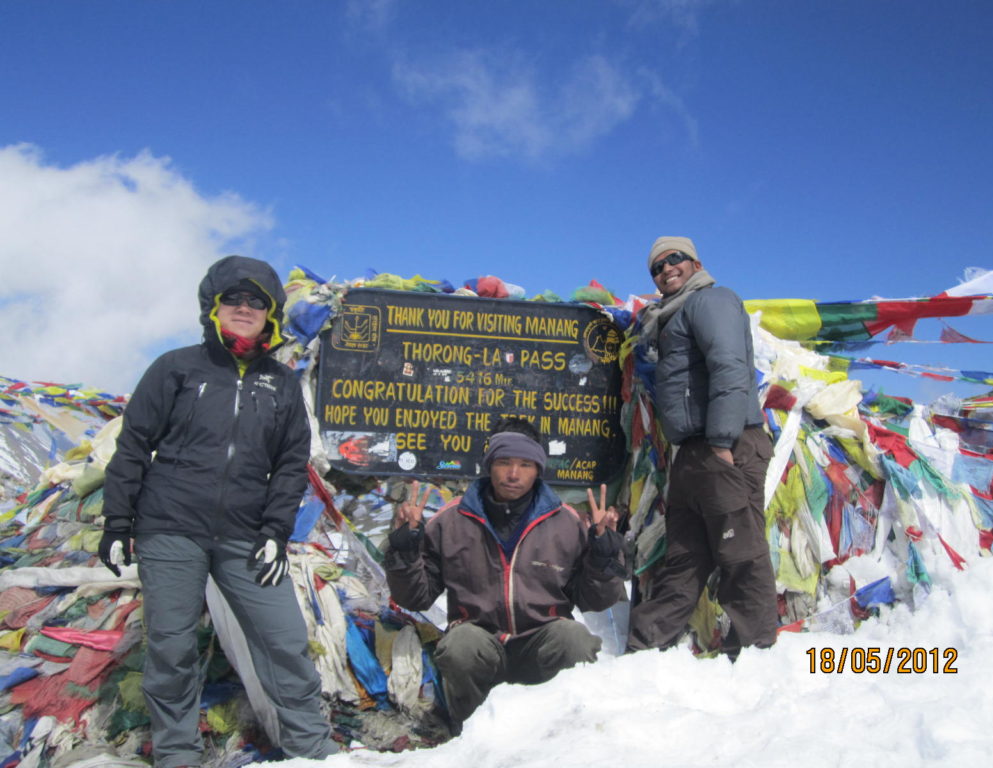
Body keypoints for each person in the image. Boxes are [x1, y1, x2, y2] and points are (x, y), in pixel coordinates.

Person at [98, 255, 337, 768]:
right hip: (171, 527)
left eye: (257, 301)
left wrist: (276, 529)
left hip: (247, 535)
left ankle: (314, 753)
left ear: (271, 312)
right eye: (234, 298)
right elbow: (134, 445)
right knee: (172, 647)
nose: (244, 308)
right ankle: (177, 755)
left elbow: (291, 463)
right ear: (213, 306)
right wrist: (118, 521)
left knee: (286, 640)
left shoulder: (281, 384)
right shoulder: (176, 368)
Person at [384, 418, 626, 732]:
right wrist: (404, 549)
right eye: (504, 462)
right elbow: (414, 598)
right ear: (489, 465)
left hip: (539, 641)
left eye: (525, 464)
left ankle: (561, 732)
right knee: (460, 645)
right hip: (481, 643)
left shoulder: (565, 521)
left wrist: (603, 554)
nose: (513, 474)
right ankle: (470, 734)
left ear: (538, 469)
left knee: (576, 639)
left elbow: (593, 600)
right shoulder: (452, 520)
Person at [627, 236, 778, 658]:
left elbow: (729, 368)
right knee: (684, 557)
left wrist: (721, 443)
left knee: (740, 553)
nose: (665, 270)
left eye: (674, 259)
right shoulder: (669, 317)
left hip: (723, 445)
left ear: (696, 262)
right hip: (692, 455)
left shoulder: (710, 301)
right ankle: (645, 648)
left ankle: (754, 652)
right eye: (656, 267)